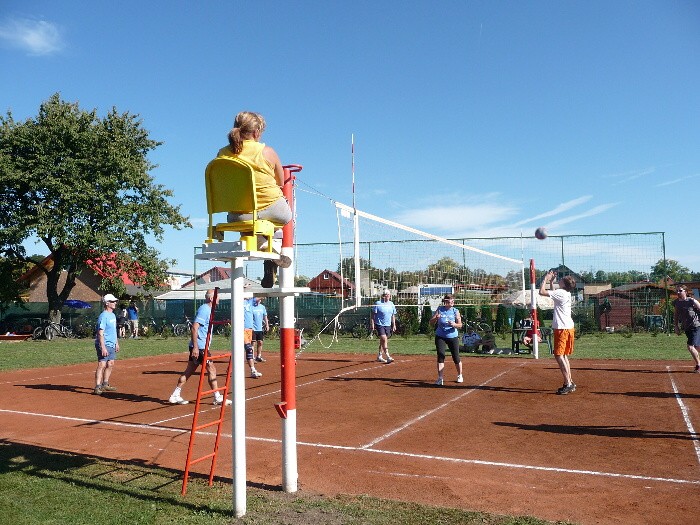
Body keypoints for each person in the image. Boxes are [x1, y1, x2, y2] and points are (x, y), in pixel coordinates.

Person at [217, 111, 292, 288]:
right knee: (283, 214)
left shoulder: (222, 154)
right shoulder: (267, 151)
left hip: (237, 215)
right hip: (271, 208)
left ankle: (266, 247)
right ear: (257, 132)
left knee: (250, 222)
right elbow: (280, 181)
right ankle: (271, 250)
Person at [168, 290, 231, 405]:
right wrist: (196, 348)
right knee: (212, 369)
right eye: (217, 297)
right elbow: (194, 328)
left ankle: (175, 395)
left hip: (199, 346)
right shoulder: (204, 309)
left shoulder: (209, 310)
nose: (219, 300)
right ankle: (217, 397)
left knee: (189, 371)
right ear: (211, 299)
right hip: (200, 347)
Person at [539, 271, 577, 394]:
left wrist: (545, 279)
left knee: (558, 355)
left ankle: (569, 383)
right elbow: (553, 293)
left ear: (564, 284)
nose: (559, 279)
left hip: (562, 328)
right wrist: (552, 281)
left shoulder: (561, 292)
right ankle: (569, 382)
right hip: (568, 327)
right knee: (563, 355)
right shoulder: (565, 293)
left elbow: (542, 292)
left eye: (561, 279)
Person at [429, 294, 463, 385]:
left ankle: (460, 375)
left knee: (456, 357)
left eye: (452, 301)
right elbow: (431, 322)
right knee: (441, 355)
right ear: (445, 302)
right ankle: (440, 378)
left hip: (452, 336)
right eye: (449, 301)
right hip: (440, 336)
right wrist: (435, 318)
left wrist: (454, 325)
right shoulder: (440, 309)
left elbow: (460, 325)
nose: (451, 303)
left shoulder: (455, 311)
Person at [94, 294, 120, 395]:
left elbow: (114, 331)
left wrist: (116, 343)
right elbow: (100, 333)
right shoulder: (103, 316)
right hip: (103, 343)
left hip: (111, 343)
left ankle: (105, 384)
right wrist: (103, 347)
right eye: (112, 301)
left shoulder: (113, 315)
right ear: (107, 303)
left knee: (110, 364)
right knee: (102, 364)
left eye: (115, 301)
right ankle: (97, 386)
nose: (115, 303)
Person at [672, 285, 700, 373]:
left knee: (690, 347)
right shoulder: (676, 302)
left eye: (680, 290)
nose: (678, 292)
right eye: (677, 291)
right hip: (686, 327)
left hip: (695, 326)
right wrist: (676, 326)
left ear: (686, 292)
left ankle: (698, 365)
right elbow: (676, 315)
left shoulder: (691, 301)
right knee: (697, 347)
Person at [371, 290, 396, 363]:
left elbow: (393, 315)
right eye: (386, 295)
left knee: (383, 341)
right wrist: (372, 324)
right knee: (384, 339)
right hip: (379, 324)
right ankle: (388, 356)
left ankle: (379, 355)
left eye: (389, 295)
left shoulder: (391, 304)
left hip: (388, 324)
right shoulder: (378, 303)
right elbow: (373, 314)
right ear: (383, 296)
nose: (388, 296)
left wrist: (394, 325)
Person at [244, 297, 263, 378]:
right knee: (249, 348)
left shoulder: (250, 301)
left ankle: (253, 370)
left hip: (249, 329)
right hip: (241, 329)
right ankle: (253, 370)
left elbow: (261, 296)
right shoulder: (237, 299)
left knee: (243, 350)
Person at [251, 296, 269, 362]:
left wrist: (267, 325)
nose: (258, 301)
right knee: (253, 342)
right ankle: (252, 357)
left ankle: (258, 356)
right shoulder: (251, 307)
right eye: (257, 299)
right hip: (253, 328)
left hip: (259, 328)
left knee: (260, 342)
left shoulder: (262, 307)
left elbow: (265, 317)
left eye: (260, 300)